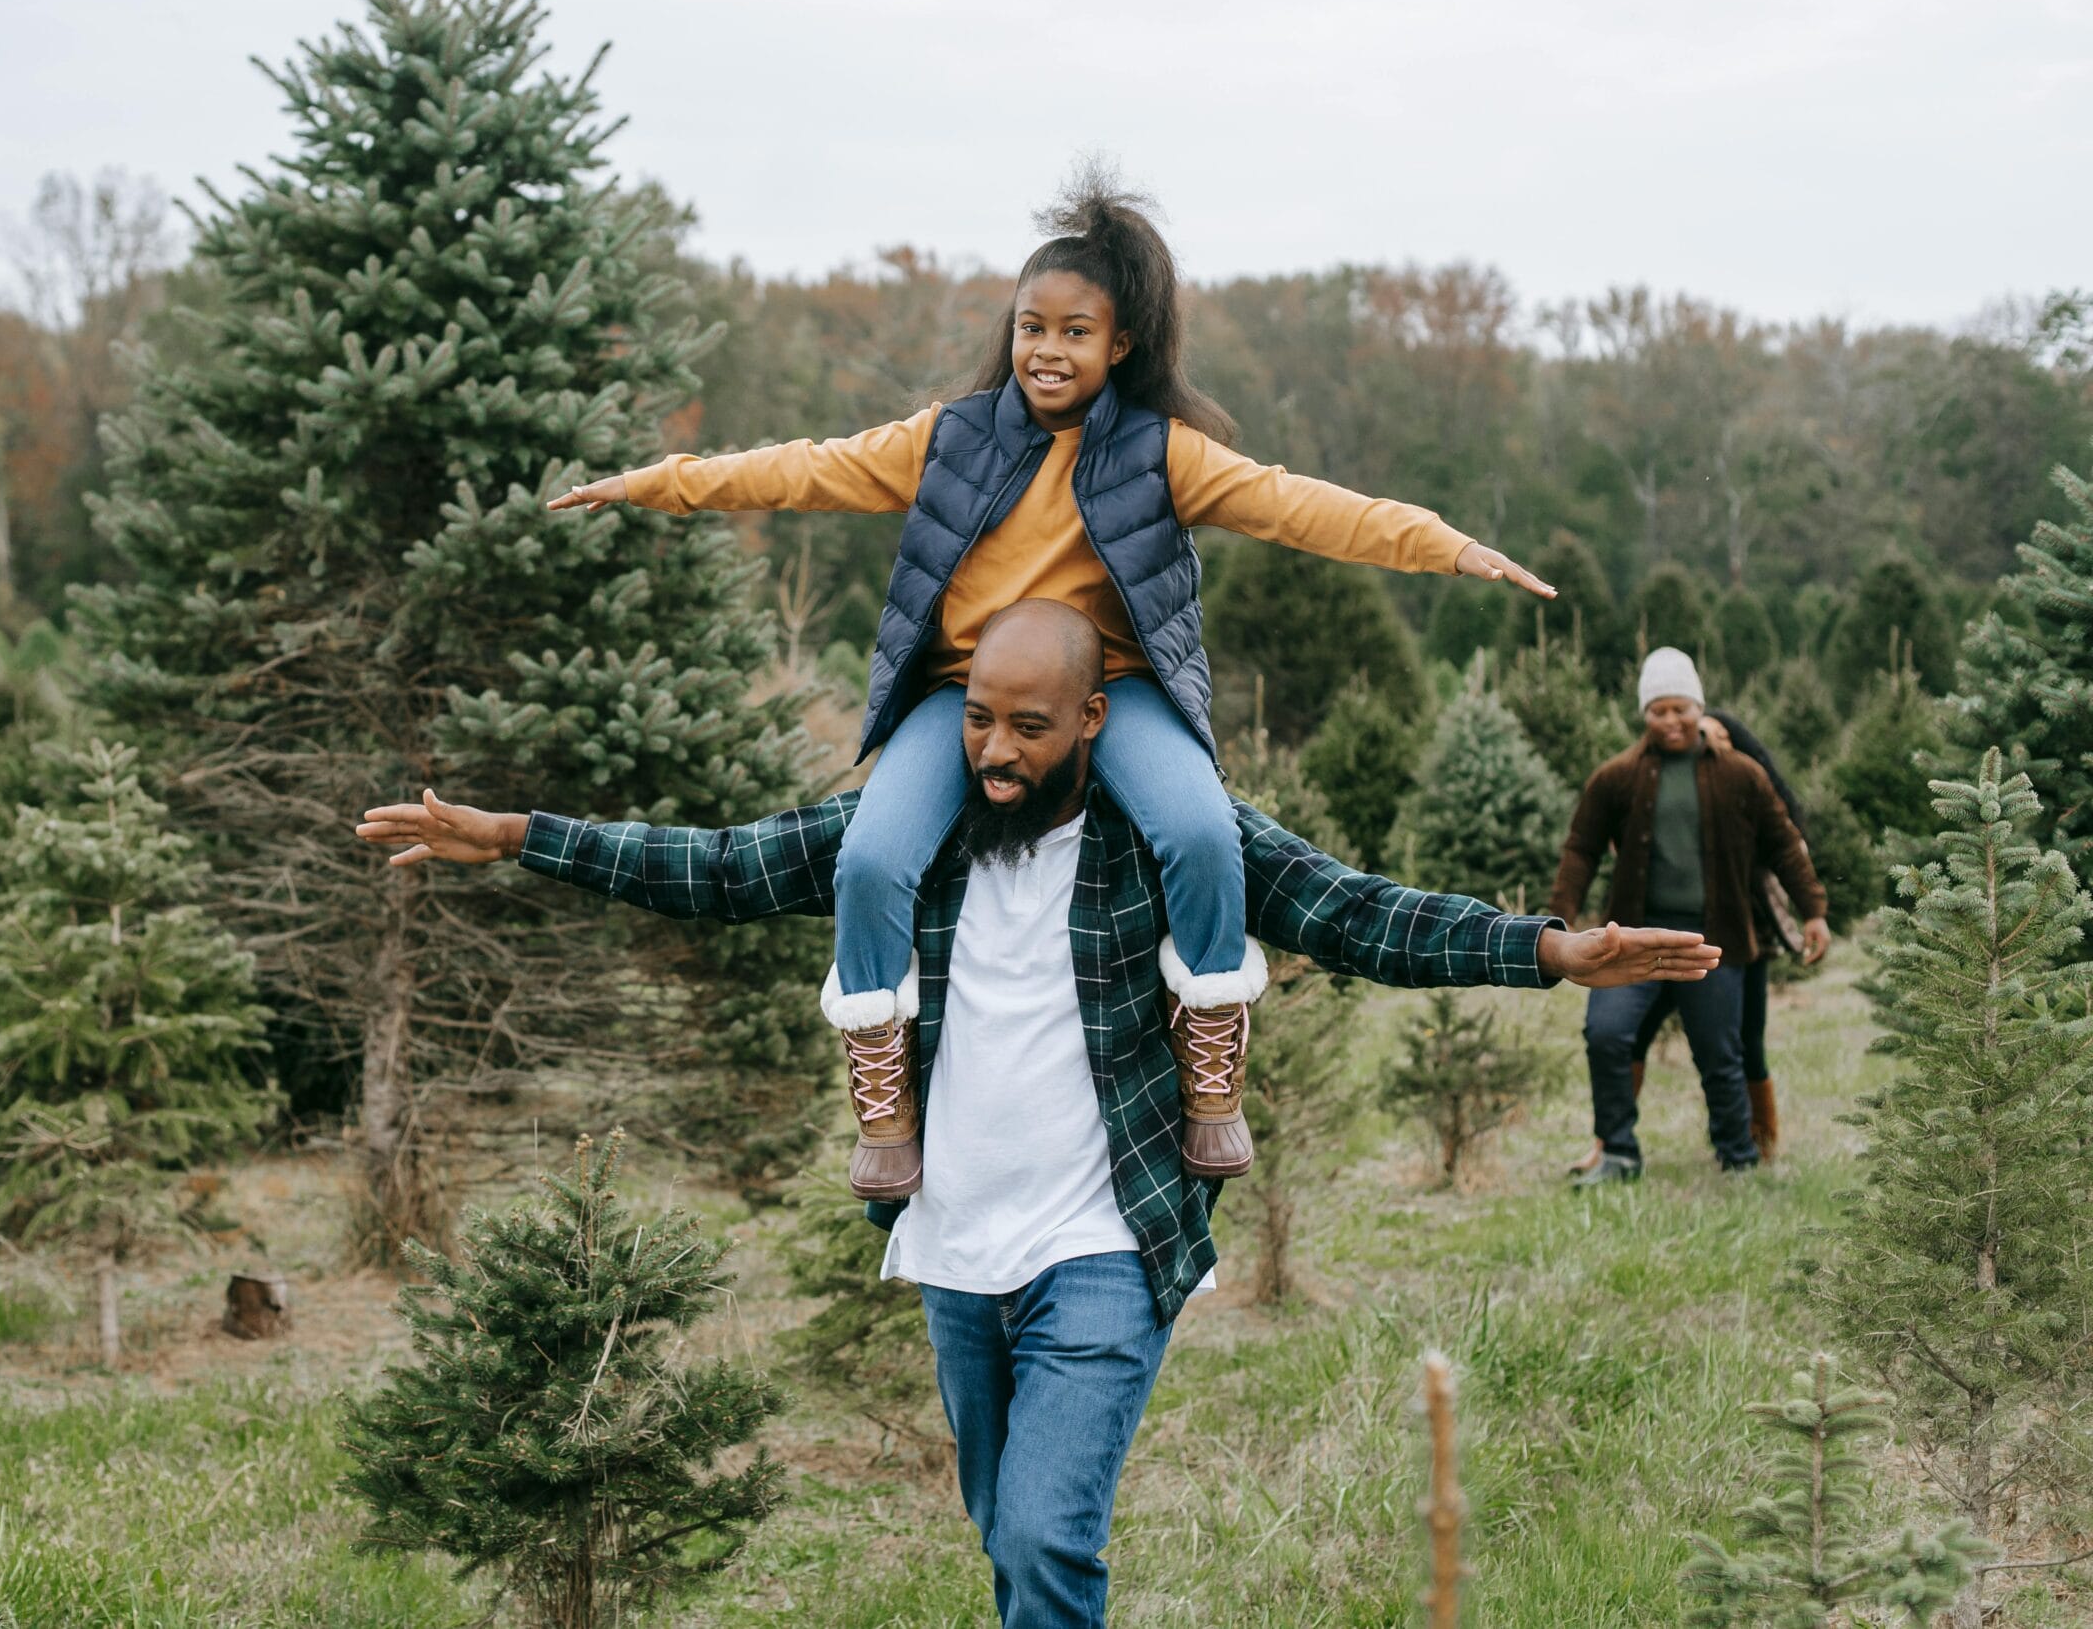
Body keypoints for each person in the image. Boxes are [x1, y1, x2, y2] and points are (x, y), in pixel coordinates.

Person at [358, 599, 1719, 1629]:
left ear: (1092, 721)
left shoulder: (1171, 841)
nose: (996, 750)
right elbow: (716, 865)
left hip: (1106, 1237)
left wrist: (1546, 948)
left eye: (1027, 724)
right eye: (976, 721)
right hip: (955, 1243)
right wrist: (521, 834)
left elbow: (1356, 908)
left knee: (1051, 1531)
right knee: (1006, 1539)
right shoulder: (913, 838)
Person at [548, 170, 1552, 1201]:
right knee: (868, 862)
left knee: (1203, 835)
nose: (1048, 349)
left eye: (1076, 331)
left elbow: (1299, 506)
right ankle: (884, 1100)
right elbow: (799, 469)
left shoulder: (1163, 456)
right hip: (962, 695)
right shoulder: (949, 438)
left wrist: (1443, 544)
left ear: (1118, 346)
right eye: (1032, 326)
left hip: (1118, 688)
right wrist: (651, 482)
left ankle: (1211, 1057)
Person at [1550, 649, 1829, 1184]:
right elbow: (1580, 848)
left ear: (1698, 708)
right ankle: (1618, 1153)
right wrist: (1560, 918)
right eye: (1658, 710)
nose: (1670, 721)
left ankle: (1737, 1157)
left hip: (1711, 943)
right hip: (1630, 943)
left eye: (1680, 708)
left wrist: (1813, 910)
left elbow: (1784, 846)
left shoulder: (1741, 775)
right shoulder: (1616, 777)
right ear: (1644, 714)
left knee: (1720, 1053)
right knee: (1606, 1034)